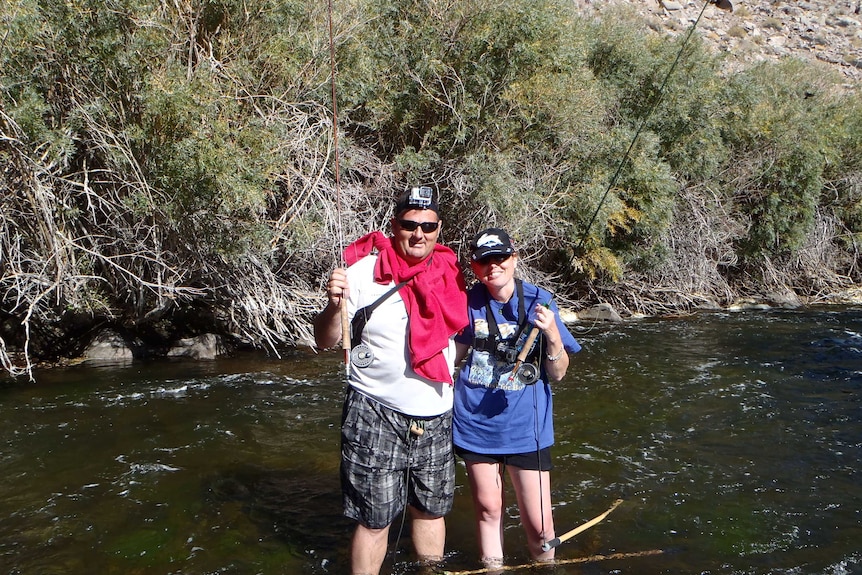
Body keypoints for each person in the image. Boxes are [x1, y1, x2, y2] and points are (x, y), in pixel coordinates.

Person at [313, 186, 468, 575]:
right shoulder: (363, 274)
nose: (419, 234)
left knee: (431, 511)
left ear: (439, 228)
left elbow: (464, 338)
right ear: (394, 224)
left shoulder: (452, 274)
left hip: (436, 415)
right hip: (374, 413)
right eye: (409, 224)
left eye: (428, 226)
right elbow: (325, 340)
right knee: (374, 518)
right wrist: (334, 307)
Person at [452, 228, 581, 570]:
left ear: (514, 258)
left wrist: (552, 332)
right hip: (473, 424)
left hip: (527, 428)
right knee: (487, 508)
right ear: (474, 266)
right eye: (484, 261)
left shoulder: (542, 299)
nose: (492, 266)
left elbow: (559, 372)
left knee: (540, 526)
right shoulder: (467, 302)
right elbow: (451, 356)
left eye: (500, 258)